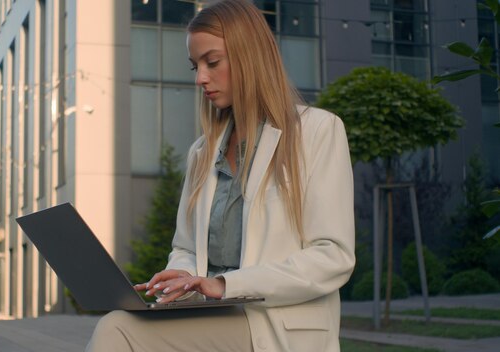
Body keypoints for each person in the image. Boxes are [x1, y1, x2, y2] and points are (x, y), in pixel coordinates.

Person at [86, 0, 355, 351]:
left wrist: (228, 284)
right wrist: (183, 276)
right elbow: (184, 246)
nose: (200, 78)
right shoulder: (202, 152)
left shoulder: (318, 131)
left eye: (212, 62)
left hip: (274, 325)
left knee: (117, 330)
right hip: (212, 317)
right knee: (121, 326)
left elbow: (333, 256)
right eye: (195, 66)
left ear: (250, 57)